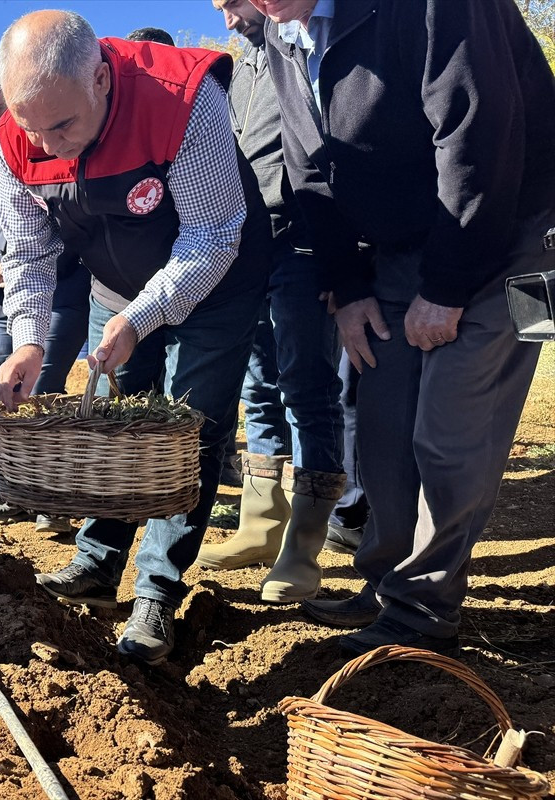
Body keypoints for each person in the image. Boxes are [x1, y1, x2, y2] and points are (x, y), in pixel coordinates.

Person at [252, 0, 555, 654]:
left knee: (456, 419)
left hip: (528, 240)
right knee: (384, 419)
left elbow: (478, 128)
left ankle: (423, 612)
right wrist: (348, 284)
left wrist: (446, 286)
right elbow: (307, 166)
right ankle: (387, 582)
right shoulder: (282, 32)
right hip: (406, 244)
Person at [0, 11, 271, 665]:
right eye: (33, 128)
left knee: (185, 432)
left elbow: (210, 237)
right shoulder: (19, 135)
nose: (49, 146)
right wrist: (29, 340)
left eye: (62, 126)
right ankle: (96, 560)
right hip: (114, 288)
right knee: (114, 420)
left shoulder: (181, 99)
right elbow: (29, 255)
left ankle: (157, 592)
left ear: (100, 78)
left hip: (215, 282)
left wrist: (141, 318)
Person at [193, 0, 346, 606]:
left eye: (233, 3)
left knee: (307, 386)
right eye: (221, 9)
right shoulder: (239, 74)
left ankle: (306, 542)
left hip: (304, 238)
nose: (230, 18)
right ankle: (261, 525)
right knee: (258, 388)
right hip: (250, 245)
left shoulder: (301, 53)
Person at [0, 63, 89, 533]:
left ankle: (51, 498)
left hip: (62, 285)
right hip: (0, 300)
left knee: (43, 383)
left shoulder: (50, 138)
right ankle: (14, 486)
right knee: (6, 391)